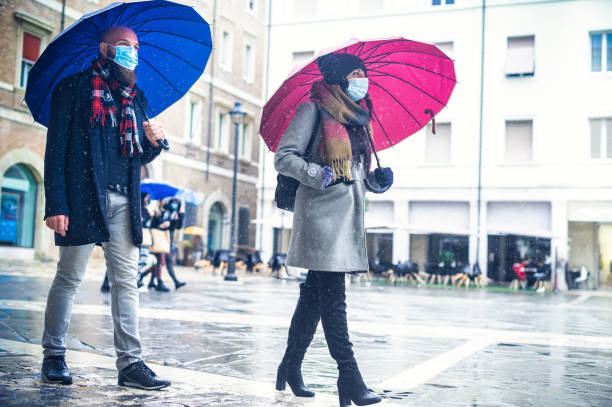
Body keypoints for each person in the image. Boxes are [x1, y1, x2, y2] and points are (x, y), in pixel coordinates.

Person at [42, 26, 170, 390]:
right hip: (82, 200)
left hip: (123, 201)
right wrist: (57, 204)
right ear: (105, 49)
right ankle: (54, 355)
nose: (132, 52)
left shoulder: (137, 97)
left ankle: (131, 364)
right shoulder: (74, 89)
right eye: (123, 46)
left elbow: (134, 157)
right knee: (69, 278)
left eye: (135, 47)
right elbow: (56, 153)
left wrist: (154, 143)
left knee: (127, 283)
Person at [274, 53, 393, 407]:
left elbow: (352, 170)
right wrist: (315, 174)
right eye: (356, 75)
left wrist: (373, 180)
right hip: (321, 219)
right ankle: (350, 378)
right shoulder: (312, 110)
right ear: (339, 79)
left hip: (347, 217)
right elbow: (284, 156)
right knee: (334, 300)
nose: (362, 81)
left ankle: (290, 366)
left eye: (364, 74)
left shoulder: (359, 120)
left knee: (314, 298)